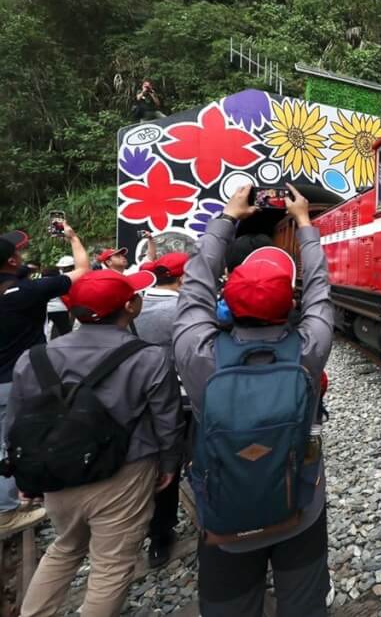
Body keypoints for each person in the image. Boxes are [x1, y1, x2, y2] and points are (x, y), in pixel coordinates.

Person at [173, 183, 334, 617]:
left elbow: (196, 282)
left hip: (225, 518)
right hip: (299, 505)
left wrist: (227, 216)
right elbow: (320, 288)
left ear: (224, 302)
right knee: (305, 604)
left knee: (229, 606)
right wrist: (304, 223)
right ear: (291, 303)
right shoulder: (308, 349)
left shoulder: (196, 353)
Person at [5, 268, 184, 616]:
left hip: (58, 471)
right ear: (131, 306)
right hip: (125, 473)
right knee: (111, 564)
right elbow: (168, 421)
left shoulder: (34, 358)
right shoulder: (148, 357)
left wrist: (22, 474)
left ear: (73, 311)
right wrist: (169, 465)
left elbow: (17, 424)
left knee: (65, 547)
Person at [0, 227, 90, 535]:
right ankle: (6, 511)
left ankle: (22, 491)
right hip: (19, 376)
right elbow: (82, 271)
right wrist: (73, 238)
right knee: (17, 436)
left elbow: (23, 271)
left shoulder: (19, 285)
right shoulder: (28, 293)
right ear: (12, 260)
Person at [133, 251, 190, 568]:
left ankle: (159, 537)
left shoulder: (135, 305)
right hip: (186, 397)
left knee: (161, 471)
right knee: (196, 459)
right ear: (182, 278)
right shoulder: (186, 308)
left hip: (147, 400)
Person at [44, 256, 75, 339]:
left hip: (52, 308)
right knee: (65, 331)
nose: (62, 270)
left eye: (65, 268)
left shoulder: (63, 278)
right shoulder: (62, 279)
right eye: (62, 268)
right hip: (63, 308)